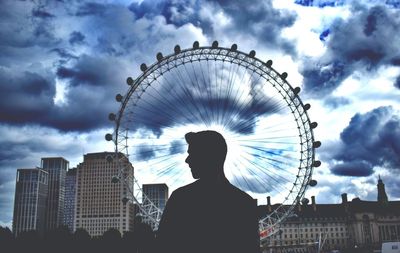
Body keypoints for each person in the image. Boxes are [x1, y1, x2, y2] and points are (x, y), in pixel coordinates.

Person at [156, 130, 260, 253]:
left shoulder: (181, 198)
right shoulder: (245, 202)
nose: (187, 160)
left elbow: (163, 245)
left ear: (208, 156)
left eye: (192, 154)